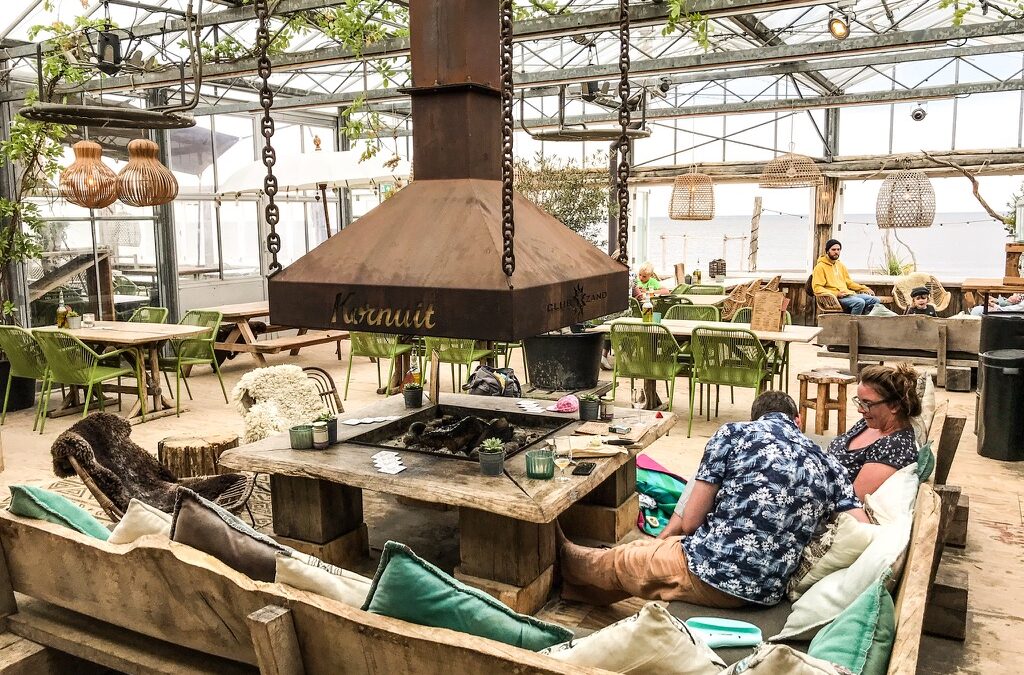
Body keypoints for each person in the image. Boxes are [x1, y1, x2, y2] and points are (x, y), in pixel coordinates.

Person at [558, 391, 866, 608]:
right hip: (770, 588)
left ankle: (565, 559)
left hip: (717, 575)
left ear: (754, 417)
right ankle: (573, 590)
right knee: (646, 559)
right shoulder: (828, 463)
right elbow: (863, 526)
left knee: (625, 560)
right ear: (797, 420)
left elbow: (690, 522)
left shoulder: (734, 434)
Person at [827, 364, 920, 502]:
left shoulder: (894, 446)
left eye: (867, 403)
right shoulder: (869, 423)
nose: (860, 410)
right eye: (859, 401)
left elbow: (851, 500)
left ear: (894, 405)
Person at [812, 239, 879, 315]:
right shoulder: (820, 267)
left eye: (838, 249)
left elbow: (849, 283)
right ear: (827, 251)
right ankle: (852, 324)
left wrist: (864, 288)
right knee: (860, 302)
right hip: (835, 299)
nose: (836, 252)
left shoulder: (840, 265)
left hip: (848, 295)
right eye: (833, 249)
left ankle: (863, 320)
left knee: (875, 300)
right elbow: (817, 288)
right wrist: (836, 293)